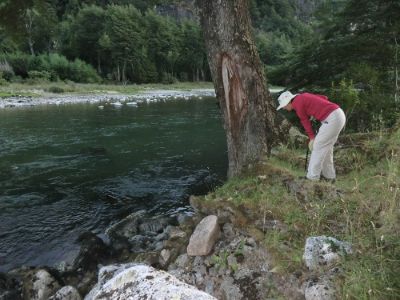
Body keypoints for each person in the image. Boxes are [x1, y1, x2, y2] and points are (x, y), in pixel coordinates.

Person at [276, 91, 346, 181]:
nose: (284, 108)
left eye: (284, 106)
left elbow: (305, 121)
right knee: (326, 148)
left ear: (288, 101)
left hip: (333, 118)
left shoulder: (297, 103)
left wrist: (312, 138)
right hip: (338, 114)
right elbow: (324, 97)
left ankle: (312, 177)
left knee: (317, 146)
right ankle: (329, 177)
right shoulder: (302, 97)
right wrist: (314, 111)